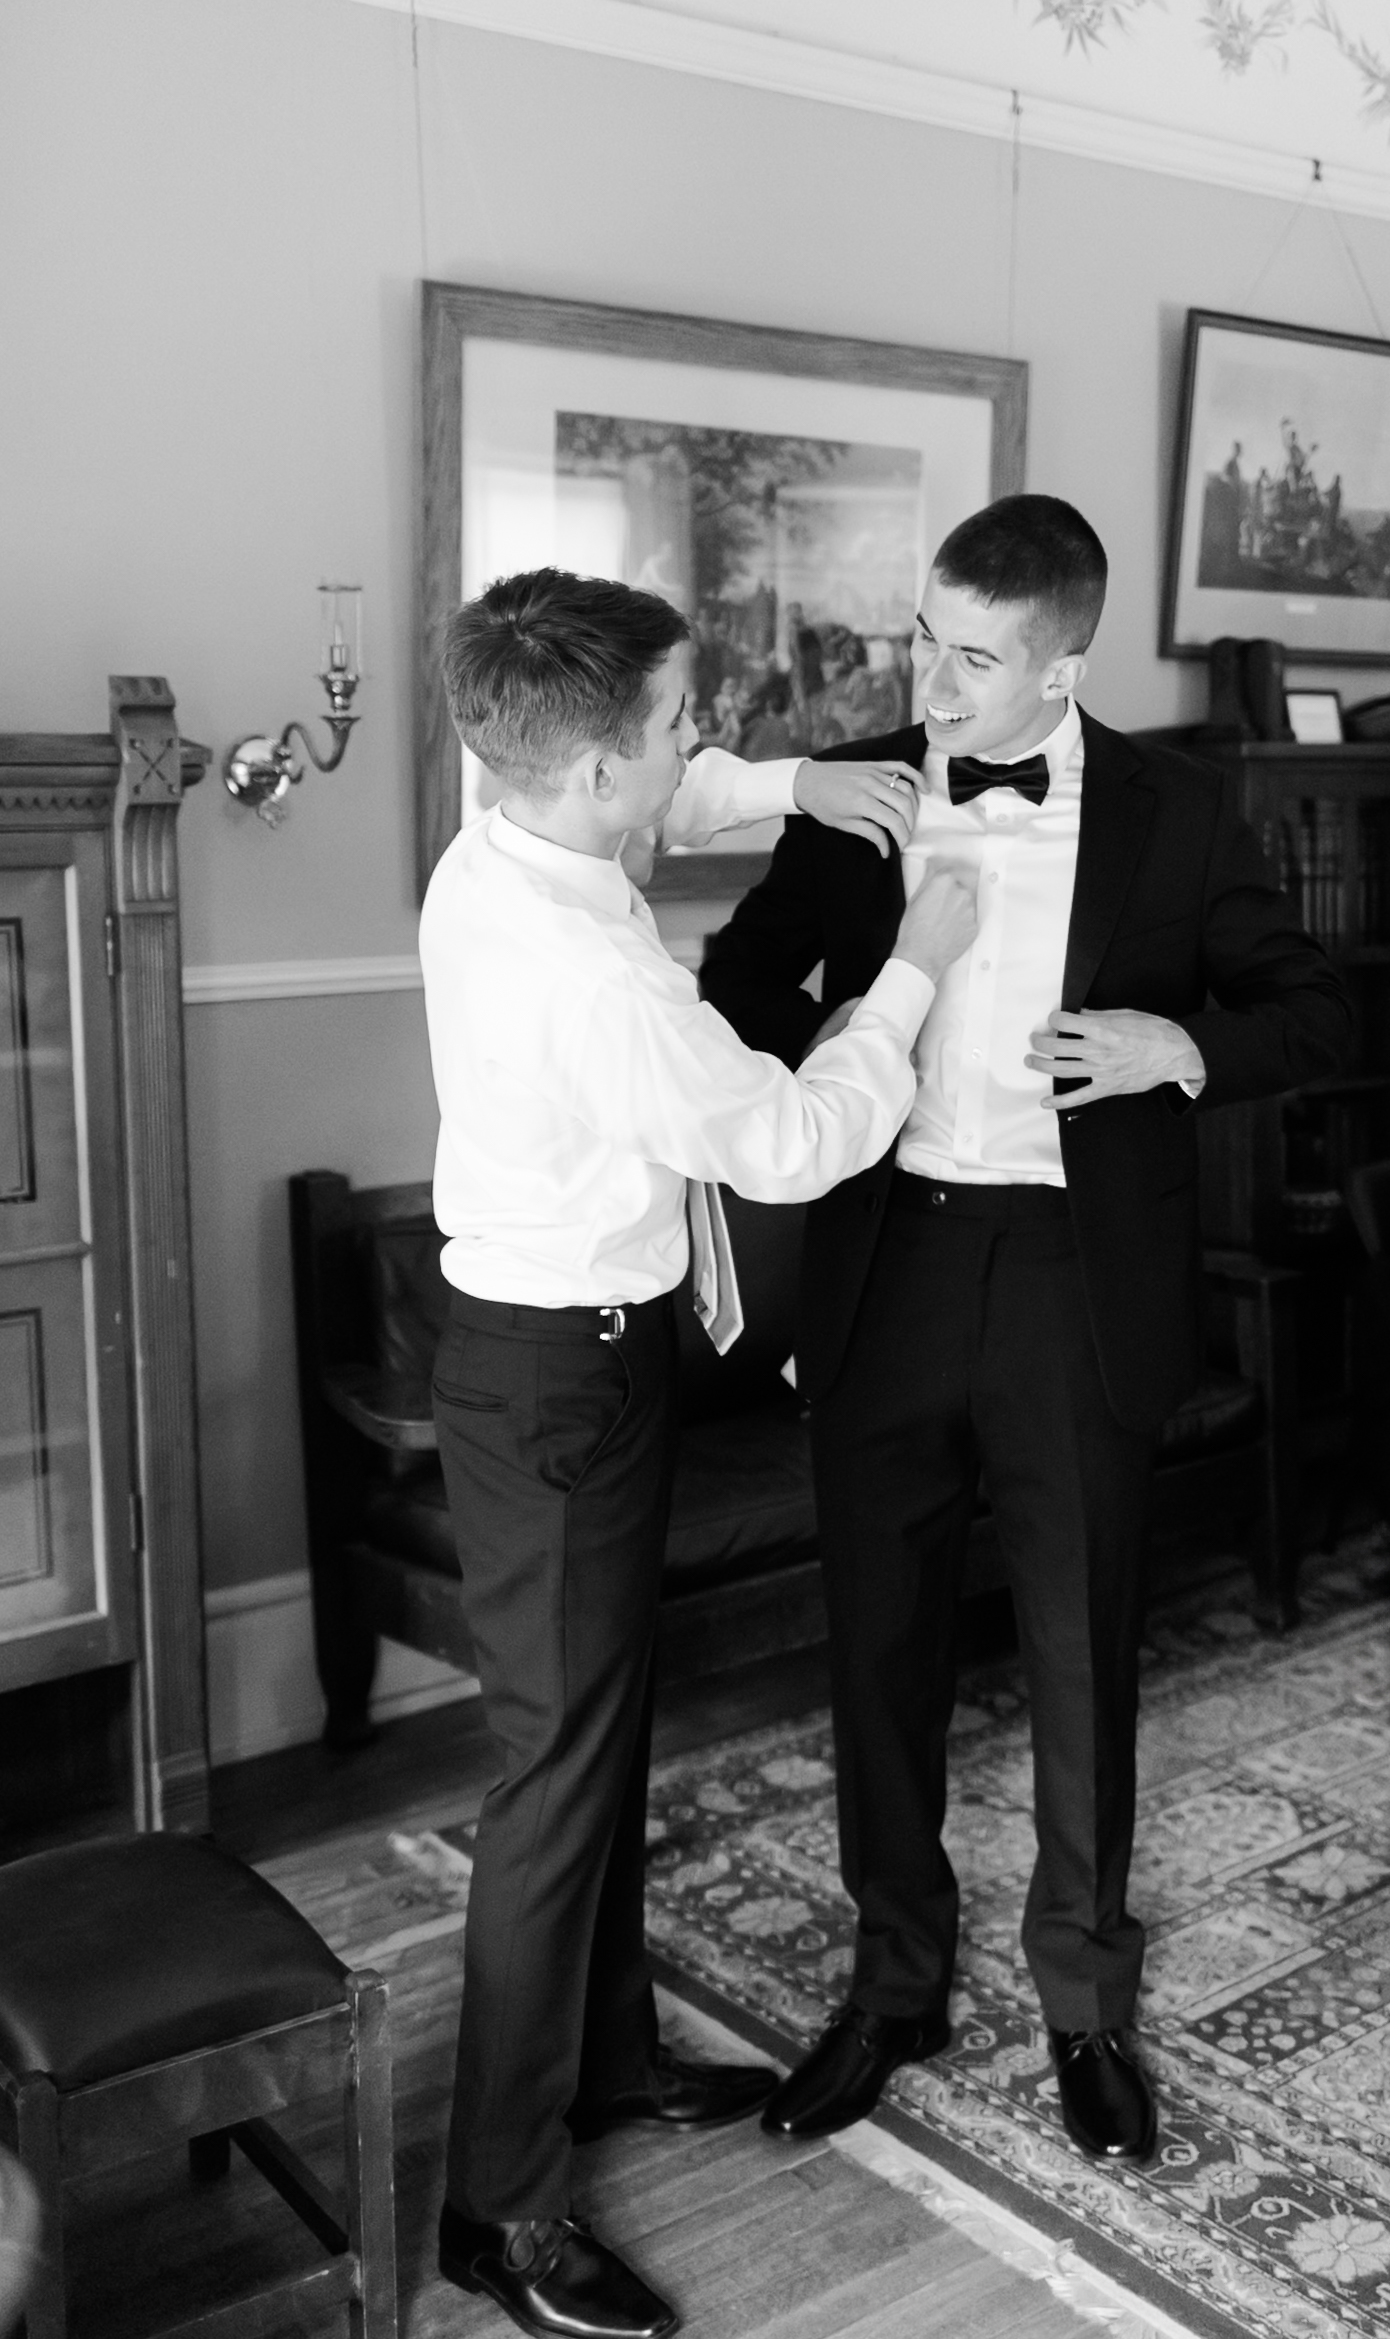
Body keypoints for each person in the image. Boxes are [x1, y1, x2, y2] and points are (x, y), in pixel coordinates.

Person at [701, 495, 1352, 2168]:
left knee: (1079, 1655)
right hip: (888, 1267)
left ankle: (1085, 2005)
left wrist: (1173, 1047)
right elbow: (735, 992)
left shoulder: (1182, 811)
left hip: (1077, 1277)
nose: (929, 682)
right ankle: (894, 1986)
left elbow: (1317, 1014)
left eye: (972, 655)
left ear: (1067, 657)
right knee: (883, 1650)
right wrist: (848, 1013)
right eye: (923, 637)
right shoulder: (860, 784)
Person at [420, 565, 974, 2339]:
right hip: (559, 1390)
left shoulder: (500, 827)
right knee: (553, 1792)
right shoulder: (598, 983)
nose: (695, 751)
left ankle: (608, 2071)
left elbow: (667, 777)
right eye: (677, 730)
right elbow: (797, 1140)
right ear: (593, 770)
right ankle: (501, 2216)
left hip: (562, 1367)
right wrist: (908, 978)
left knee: (600, 1745)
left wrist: (795, 790)